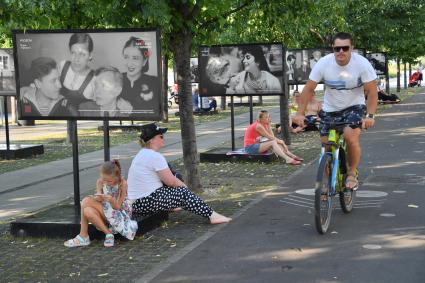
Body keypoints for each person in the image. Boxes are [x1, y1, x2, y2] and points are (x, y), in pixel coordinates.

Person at [292, 32, 378, 190]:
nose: (341, 52)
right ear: (333, 48)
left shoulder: (362, 64)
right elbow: (308, 89)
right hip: (330, 109)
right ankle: (329, 181)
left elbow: (372, 91)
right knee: (326, 148)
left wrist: (370, 115)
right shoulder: (324, 63)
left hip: (354, 106)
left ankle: (352, 173)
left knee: (350, 136)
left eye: (345, 48)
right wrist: (300, 113)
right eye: (337, 48)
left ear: (352, 48)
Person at [127, 123, 232, 224]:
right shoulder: (154, 156)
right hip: (145, 202)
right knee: (182, 192)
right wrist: (185, 188)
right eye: (160, 136)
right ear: (152, 140)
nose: (163, 138)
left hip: (137, 202)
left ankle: (172, 206)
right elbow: (171, 182)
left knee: (177, 180)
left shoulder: (142, 154)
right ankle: (212, 216)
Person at [64, 160, 138, 248]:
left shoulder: (122, 184)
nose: (106, 182)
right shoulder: (100, 182)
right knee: (87, 210)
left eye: (109, 181)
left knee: (85, 201)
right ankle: (108, 234)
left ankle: (83, 236)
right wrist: (98, 197)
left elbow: (117, 207)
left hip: (119, 213)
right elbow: (98, 198)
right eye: (104, 179)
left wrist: (111, 200)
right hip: (106, 210)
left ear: (117, 177)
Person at [119, 36, 160, 113]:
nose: (129, 63)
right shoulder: (116, 79)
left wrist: (132, 110)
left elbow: (155, 112)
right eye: (126, 57)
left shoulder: (154, 82)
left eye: (135, 58)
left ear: (144, 61)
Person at [58, 33, 96, 108]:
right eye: (73, 53)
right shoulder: (62, 66)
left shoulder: (94, 79)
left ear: (90, 55)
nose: (76, 59)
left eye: (82, 54)